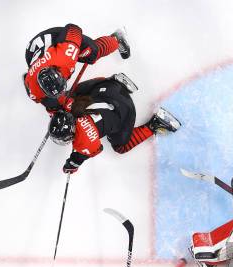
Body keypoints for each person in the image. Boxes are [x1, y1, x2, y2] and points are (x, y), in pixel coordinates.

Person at [47, 73, 181, 174]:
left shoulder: (86, 142)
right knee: (75, 92)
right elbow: (55, 100)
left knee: (120, 147)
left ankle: (154, 124)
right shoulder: (68, 105)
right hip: (111, 89)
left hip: (126, 110)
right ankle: (115, 80)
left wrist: (73, 163)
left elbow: (95, 150)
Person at [23, 23, 130, 113]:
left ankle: (117, 39)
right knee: (52, 102)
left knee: (92, 53)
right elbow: (27, 78)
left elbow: (73, 28)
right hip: (31, 53)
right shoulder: (33, 90)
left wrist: (80, 51)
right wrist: (57, 110)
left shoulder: (66, 57)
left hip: (56, 37)